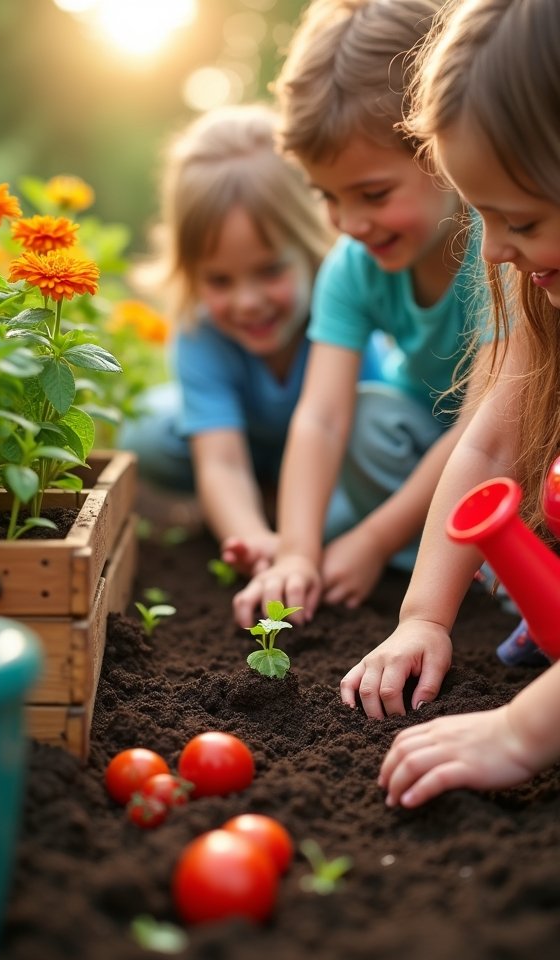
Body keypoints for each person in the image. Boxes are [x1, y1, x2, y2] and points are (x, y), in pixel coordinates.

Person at [344, 0, 560, 806]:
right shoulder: (534, 280)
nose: (494, 249)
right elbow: (488, 446)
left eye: (522, 218)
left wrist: (521, 730)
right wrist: (422, 618)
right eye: (482, 215)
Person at [233, 0, 492, 628]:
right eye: (328, 197)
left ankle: (470, 565)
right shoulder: (352, 266)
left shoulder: (497, 247)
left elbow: (486, 434)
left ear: (443, 147)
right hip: (418, 446)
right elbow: (321, 418)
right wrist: (295, 550)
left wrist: (372, 541)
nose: (349, 224)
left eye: (373, 194)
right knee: (370, 417)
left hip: (500, 449)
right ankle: (432, 558)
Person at [119, 103, 362, 575]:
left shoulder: (340, 311)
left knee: (339, 520)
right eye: (219, 280)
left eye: (270, 271)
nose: (247, 303)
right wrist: (249, 538)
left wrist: (302, 540)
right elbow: (220, 462)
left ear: (310, 246)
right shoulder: (201, 331)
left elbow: (359, 447)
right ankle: (257, 507)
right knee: (148, 428)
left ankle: (283, 504)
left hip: (331, 461)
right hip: (242, 449)